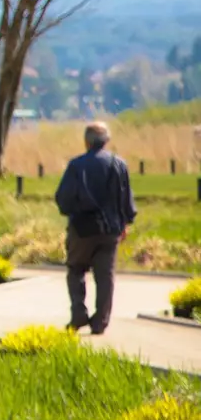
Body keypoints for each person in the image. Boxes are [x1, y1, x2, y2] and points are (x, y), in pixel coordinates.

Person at [53, 121, 136, 335]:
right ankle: (100, 321)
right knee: (105, 275)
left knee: (76, 270)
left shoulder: (76, 166)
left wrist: (72, 213)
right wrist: (125, 222)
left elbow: (63, 198)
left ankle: (79, 314)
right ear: (106, 141)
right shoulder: (119, 165)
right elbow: (126, 199)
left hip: (81, 228)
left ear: (86, 141)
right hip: (111, 230)